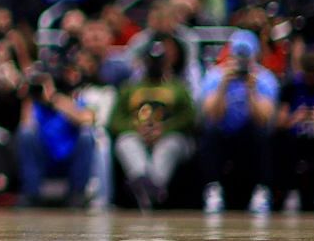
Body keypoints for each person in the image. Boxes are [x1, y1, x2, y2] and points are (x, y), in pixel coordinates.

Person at [196, 29, 280, 214]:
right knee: (210, 133)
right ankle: (213, 189)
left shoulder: (265, 79)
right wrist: (223, 87)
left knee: (262, 135)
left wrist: (251, 90)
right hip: (224, 134)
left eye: (245, 57)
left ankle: (261, 191)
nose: (241, 62)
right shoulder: (215, 76)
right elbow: (211, 116)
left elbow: (264, 119)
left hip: (249, 135)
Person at [110, 40, 198, 210]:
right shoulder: (130, 88)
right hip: (137, 135)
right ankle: (150, 187)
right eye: (151, 61)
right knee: (125, 142)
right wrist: (135, 128)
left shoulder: (178, 88)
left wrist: (164, 128)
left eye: (159, 61)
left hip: (168, 137)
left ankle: (146, 186)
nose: (155, 65)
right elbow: (115, 120)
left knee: (170, 144)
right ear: (145, 62)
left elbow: (190, 117)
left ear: (165, 62)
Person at [16, 57, 97, 207]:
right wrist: (29, 97)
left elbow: (87, 119)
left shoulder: (70, 102)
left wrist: (54, 99)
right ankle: (31, 194)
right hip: (44, 159)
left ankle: (77, 194)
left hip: (69, 161)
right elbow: (26, 125)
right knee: (25, 133)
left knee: (87, 135)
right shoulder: (35, 106)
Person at [277, 47, 314, 213]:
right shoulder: (291, 86)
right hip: (297, 140)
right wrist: (296, 118)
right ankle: (289, 191)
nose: (312, 80)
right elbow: (279, 122)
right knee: (279, 141)